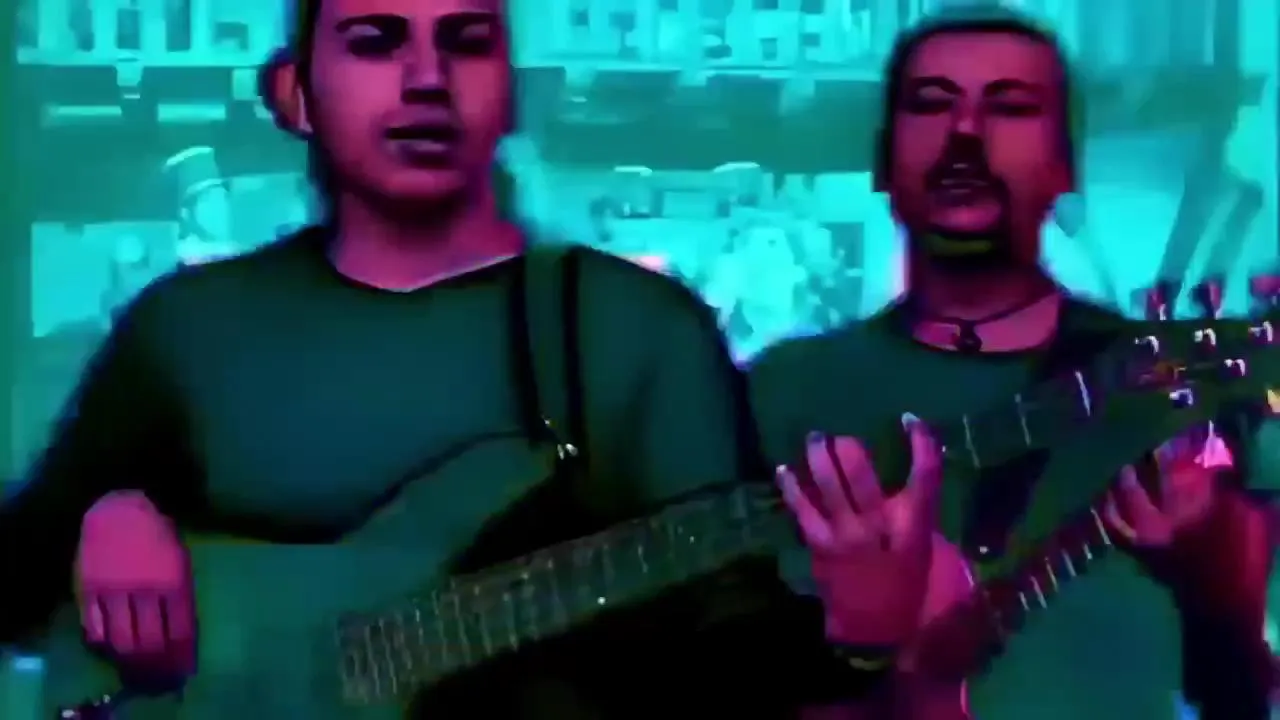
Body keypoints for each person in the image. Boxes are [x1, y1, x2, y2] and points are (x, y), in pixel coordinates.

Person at [0, 0, 864, 717]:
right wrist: (100, 517)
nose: (427, 77)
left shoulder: (633, 328)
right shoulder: (191, 326)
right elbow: (16, 587)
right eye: (377, 41)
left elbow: (738, 659)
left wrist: (862, 635)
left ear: (510, 90)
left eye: (466, 40)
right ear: (294, 92)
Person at [751, 9, 1277, 720]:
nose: (965, 134)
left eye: (1010, 107)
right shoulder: (785, 390)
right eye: (932, 104)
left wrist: (1218, 586)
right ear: (882, 161)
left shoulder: (1173, 390)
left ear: (1064, 167)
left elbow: (1243, 696)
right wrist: (860, 640)